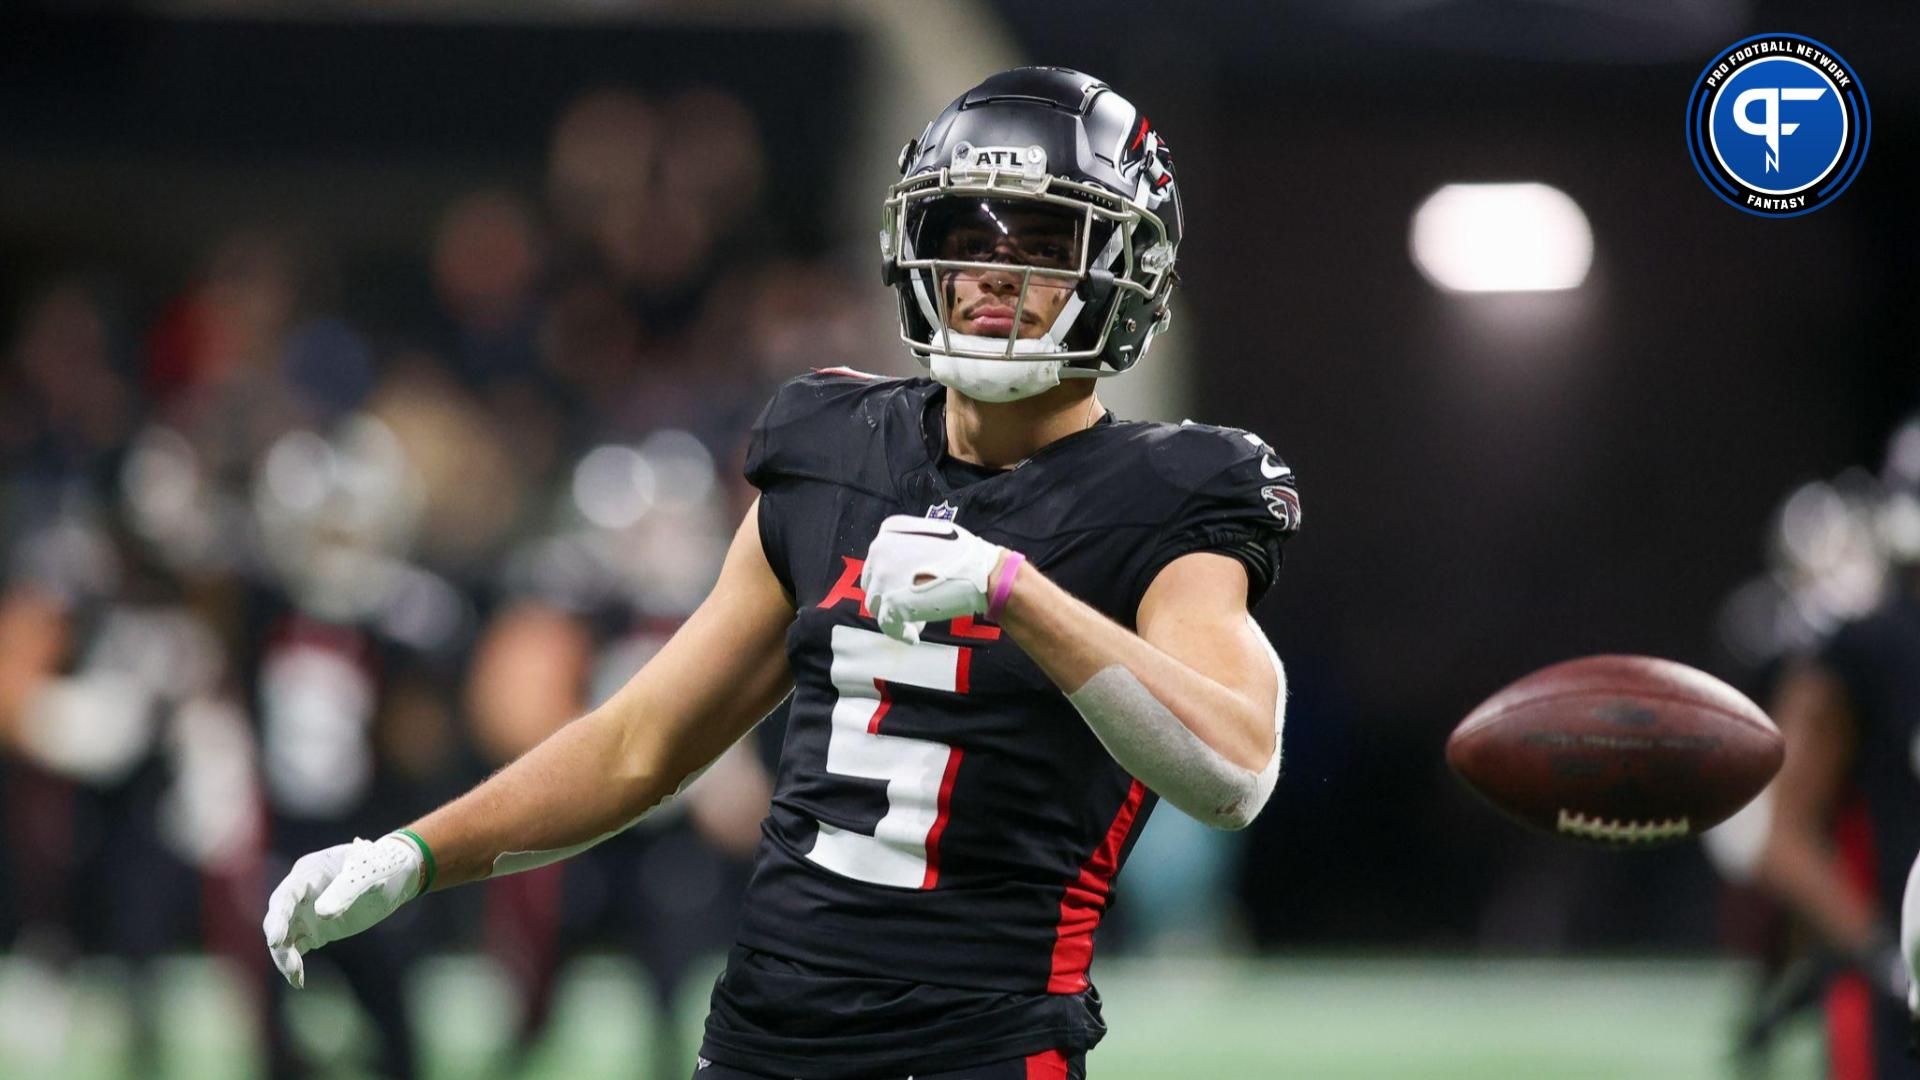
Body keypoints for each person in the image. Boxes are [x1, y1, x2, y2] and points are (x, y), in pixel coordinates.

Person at [263, 67, 1299, 1080]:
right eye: (962, 233)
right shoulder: (830, 445)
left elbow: (1233, 772)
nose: (991, 270)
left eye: (1038, 239)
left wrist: (1014, 594)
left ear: (1124, 262)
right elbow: (640, 743)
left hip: (982, 1046)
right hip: (764, 1039)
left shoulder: (1172, 490)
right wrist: (411, 855)